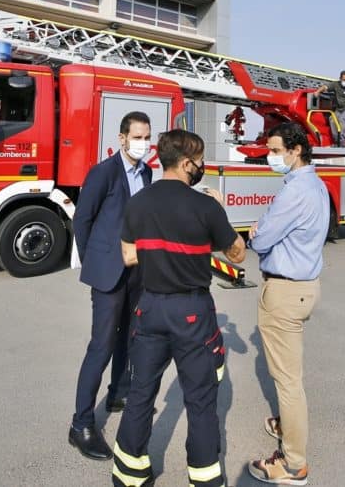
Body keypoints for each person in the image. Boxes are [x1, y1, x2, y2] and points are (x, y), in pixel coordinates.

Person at [112, 130, 246, 487]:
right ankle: (203, 479)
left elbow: (128, 255)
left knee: (141, 392)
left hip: (150, 307)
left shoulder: (138, 202)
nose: (201, 166)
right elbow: (237, 254)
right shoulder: (205, 207)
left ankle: (129, 474)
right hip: (192, 311)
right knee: (200, 401)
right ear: (187, 163)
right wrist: (220, 212)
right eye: (199, 160)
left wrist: (161, 254)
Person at [245, 123, 328, 486]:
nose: (270, 155)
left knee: (288, 382)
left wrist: (256, 232)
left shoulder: (295, 192)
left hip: (285, 291)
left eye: (276, 149)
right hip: (304, 287)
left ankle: (293, 464)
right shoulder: (314, 185)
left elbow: (262, 238)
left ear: (295, 151)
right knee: (289, 375)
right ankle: (286, 425)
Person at [68, 111, 153, 461]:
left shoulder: (147, 172)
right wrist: (94, 261)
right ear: (121, 139)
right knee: (101, 345)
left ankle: (119, 391)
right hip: (107, 272)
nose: (143, 144)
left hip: (136, 272)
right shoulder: (103, 172)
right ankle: (81, 424)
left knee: (129, 337)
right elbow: (82, 219)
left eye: (147, 137)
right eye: (137, 137)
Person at [315, 70, 345, 147]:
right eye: (344, 80)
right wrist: (318, 92)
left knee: (342, 119)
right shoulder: (335, 84)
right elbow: (325, 87)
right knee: (332, 119)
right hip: (339, 109)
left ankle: (342, 143)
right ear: (340, 78)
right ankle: (336, 142)